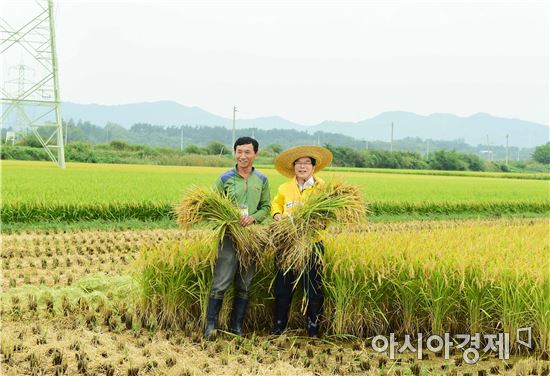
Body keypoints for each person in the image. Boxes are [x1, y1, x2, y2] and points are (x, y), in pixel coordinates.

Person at [204, 137, 271, 338]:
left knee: (245, 282)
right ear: (234, 153)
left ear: (255, 154)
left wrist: (254, 218)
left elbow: (266, 207)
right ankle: (210, 326)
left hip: (251, 238)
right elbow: (211, 206)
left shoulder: (262, 179)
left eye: (247, 152)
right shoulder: (224, 179)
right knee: (221, 281)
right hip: (230, 238)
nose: (243, 156)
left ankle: (236, 327)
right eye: (239, 151)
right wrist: (230, 223)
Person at [270, 145, 333, 338]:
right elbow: (276, 204)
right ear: (293, 167)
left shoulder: (323, 188)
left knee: (313, 286)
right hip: (287, 243)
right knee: (282, 286)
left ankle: (312, 328)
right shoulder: (285, 187)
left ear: (314, 167)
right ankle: (280, 325)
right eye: (299, 163)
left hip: (312, 242)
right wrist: (277, 215)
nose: (302, 166)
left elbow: (329, 212)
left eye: (307, 163)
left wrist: (321, 223)